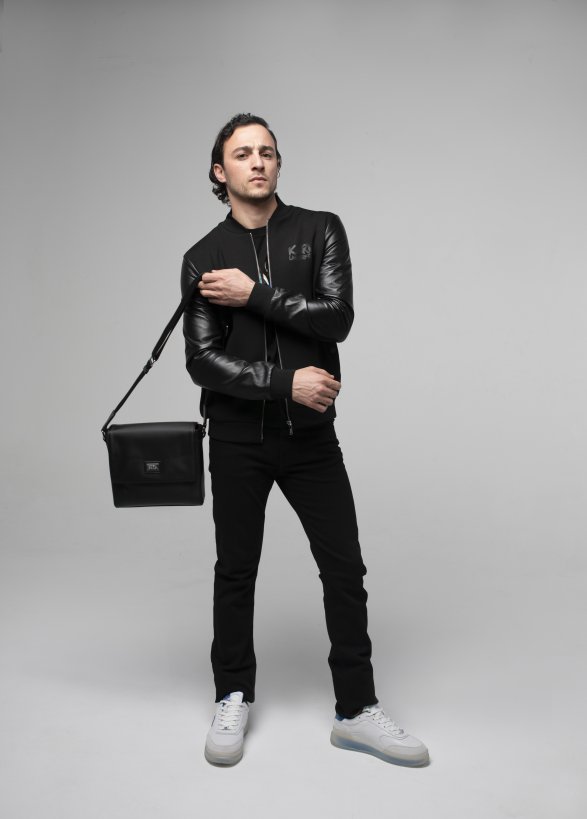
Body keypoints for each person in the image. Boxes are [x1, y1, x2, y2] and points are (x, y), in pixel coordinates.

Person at [180, 113, 429, 768]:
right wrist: (283, 382)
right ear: (220, 171)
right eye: (242, 153)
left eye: (267, 151)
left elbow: (336, 318)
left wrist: (255, 294)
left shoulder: (319, 230)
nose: (257, 161)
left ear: (278, 163)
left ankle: (356, 710)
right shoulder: (202, 257)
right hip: (236, 438)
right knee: (236, 570)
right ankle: (232, 693)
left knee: (344, 569)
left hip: (311, 439)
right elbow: (202, 362)